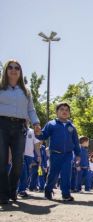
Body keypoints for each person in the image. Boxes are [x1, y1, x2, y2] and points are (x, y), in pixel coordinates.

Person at [0, 60, 41, 204]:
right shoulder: (0, 87)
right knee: (2, 161)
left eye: (17, 68)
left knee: (18, 163)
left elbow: (31, 109)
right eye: (10, 67)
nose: (13, 70)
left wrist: (36, 122)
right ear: (5, 70)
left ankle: (12, 190)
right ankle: (3, 195)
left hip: (19, 127)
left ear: (20, 71)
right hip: (2, 125)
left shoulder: (26, 91)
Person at [35, 102, 81, 201]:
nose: (64, 111)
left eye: (66, 110)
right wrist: (38, 133)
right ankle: (48, 191)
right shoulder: (51, 124)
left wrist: (78, 154)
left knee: (66, 174)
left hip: (68, 155)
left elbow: (76, 142)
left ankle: (66, 194)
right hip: (55, 154)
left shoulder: (72, 127)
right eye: (61, 109)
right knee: (53, 174)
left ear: (69, 113)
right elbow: (43, 135)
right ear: (56, 112)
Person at [17, 126, 41, 197]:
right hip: (19, 154)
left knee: (27, 173)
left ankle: (21, 189)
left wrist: (39, 155)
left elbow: (36, 144)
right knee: (23, 172)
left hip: (30, 156)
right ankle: (20, 190)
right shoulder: (18, 129)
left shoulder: (32, 131)